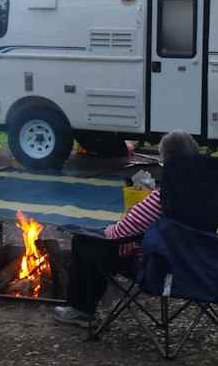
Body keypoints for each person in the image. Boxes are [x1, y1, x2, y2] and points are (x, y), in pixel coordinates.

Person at [52, 130, 200, 328]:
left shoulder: (163, 197)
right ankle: (83, 308)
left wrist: (93, 231)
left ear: (167, 161)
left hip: (158, 266)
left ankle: (81, 310)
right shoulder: (205, 195)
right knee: (98, 240)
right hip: (196, 264)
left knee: (85, 241)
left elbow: (120, 232)